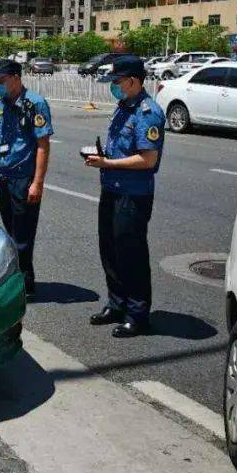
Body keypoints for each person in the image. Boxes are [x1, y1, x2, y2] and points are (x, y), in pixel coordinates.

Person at [84, 55, 165, 338]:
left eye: (117, 82)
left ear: (132, 81)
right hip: (112, 189)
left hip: (133, 194)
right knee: (110, 250)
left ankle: (138, 314)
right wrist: (102, 159)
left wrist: (107, 164)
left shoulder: (147, 112)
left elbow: (147, 159)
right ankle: (116, 304)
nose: (113, 87)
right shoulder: (124, 107)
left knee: (132, 255)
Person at [0, 59, 52, 298]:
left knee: (23, 236)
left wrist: (37, 182)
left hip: (24, 179)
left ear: (15, 78)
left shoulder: (35, 104)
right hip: (4, 178)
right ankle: (14, 280)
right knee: (10, 234)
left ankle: (25, 283)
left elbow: (43, 145)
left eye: (0, 81)